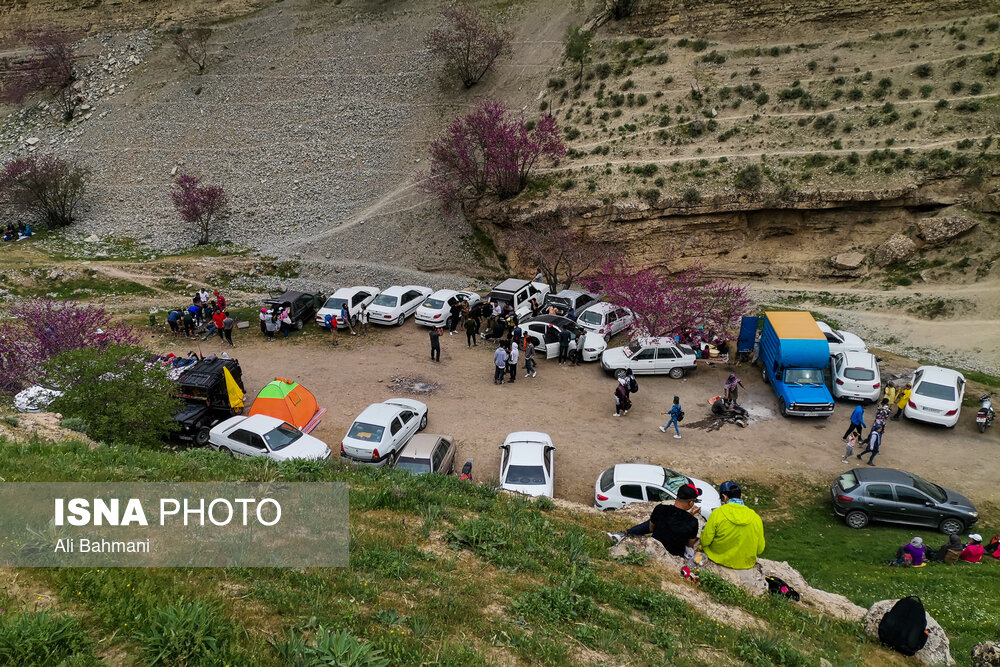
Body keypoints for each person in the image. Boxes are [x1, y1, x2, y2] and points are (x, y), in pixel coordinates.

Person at [606, 483, 703, 556]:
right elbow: (690, 545)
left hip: (655, 545)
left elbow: (651, 528)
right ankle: (625, 533)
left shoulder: (660, 509)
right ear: (690, 502)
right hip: (675, 554)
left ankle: (625, 533)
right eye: (694, 501)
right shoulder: (693, 522)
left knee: (657, 521)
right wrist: (690, 517)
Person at [700, 481, 765, 570]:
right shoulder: (756, 517)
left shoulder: (717, 513)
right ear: (741, 496)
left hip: (718, 558)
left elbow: (705, 541)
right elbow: (760, 549)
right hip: (745, 564)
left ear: (724, 497)